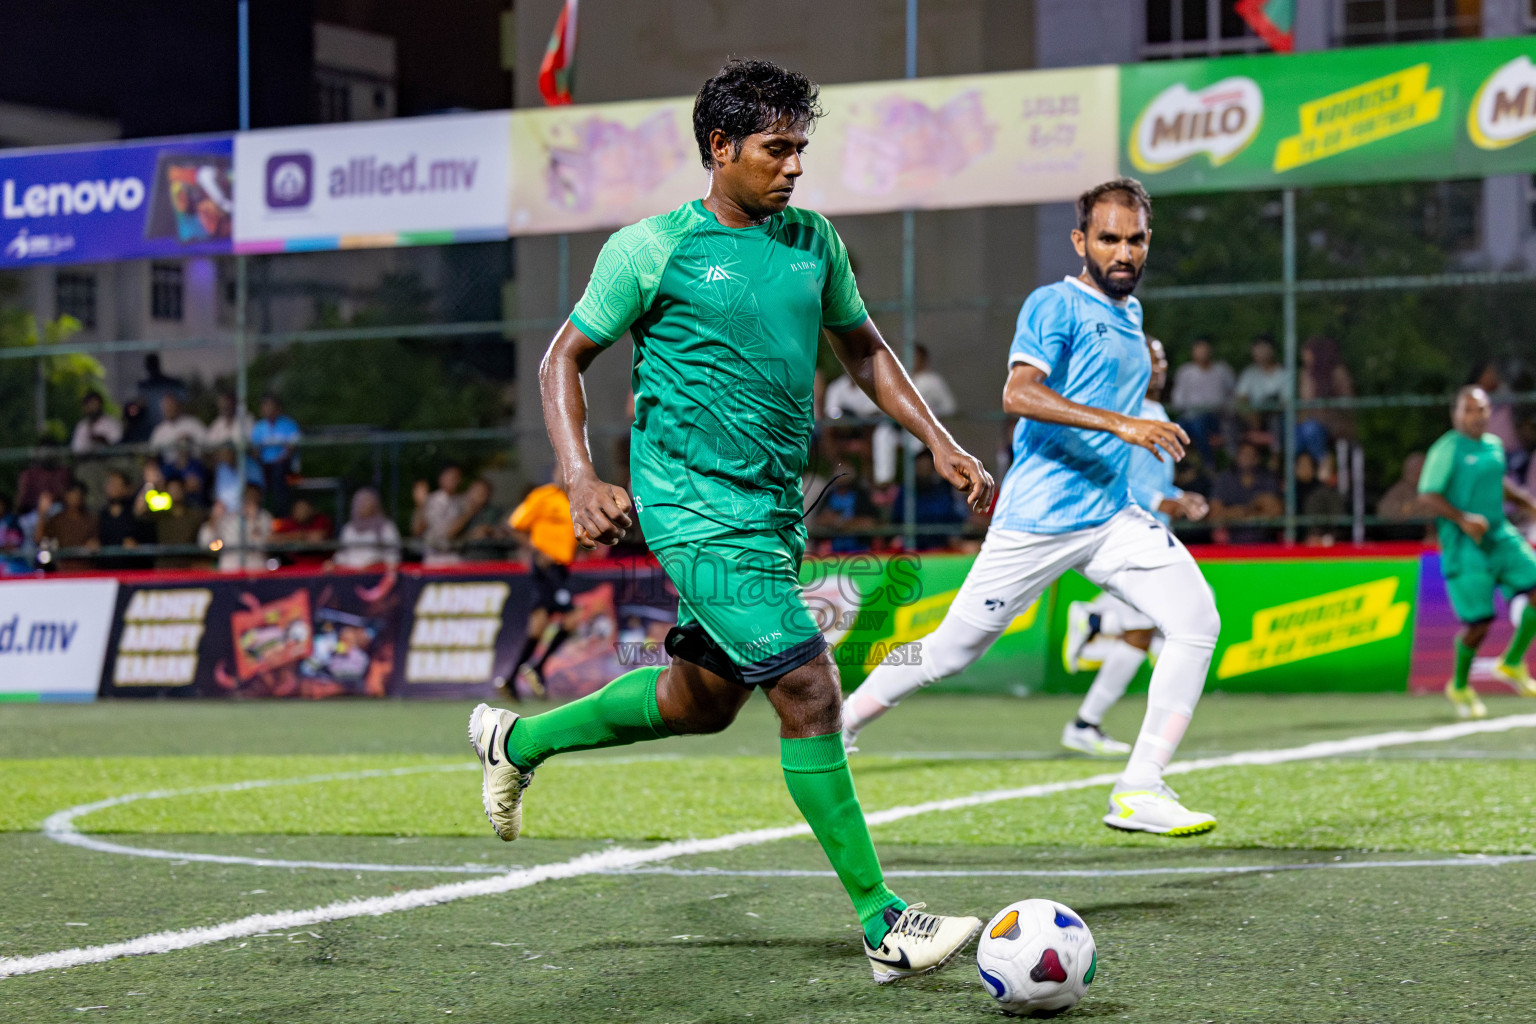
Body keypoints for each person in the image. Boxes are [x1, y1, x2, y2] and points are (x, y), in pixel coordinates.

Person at [466, 58, 994, 983]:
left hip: (773, 513)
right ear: (721, 147)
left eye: (801, 149)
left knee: (699, 704)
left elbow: (864, 351)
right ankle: (884, 925)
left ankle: (518, 742)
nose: (794, 167)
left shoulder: (812, 240)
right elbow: (563, 358)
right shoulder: (651, 248)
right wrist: (580, 477)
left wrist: (938, 441)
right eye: (776, 149)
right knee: (810, 688)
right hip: (689, 508)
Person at [840, 178, 1221, 838]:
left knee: (1196, 620)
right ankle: (837, 723)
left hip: (1111, 518)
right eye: (1109, 238)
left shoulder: (1130, 316)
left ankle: (1139, 787)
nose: (1123, 251)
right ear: (1081, 242)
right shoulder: (1054, 304)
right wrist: (1121, 425)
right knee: (947, 653)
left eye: (1134, 239)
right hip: (1039, 521)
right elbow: (1019, 393)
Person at [1059, 336, 1210, 758]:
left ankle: (1087, 717)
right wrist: (1163, 501)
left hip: (1149, 534)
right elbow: (1111, 478)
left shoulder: (1155, 412)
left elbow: (1155, 485)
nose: (1159, 366)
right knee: (1164, 627)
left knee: (1150, 632)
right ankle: (1095, 627)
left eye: (1162, 359)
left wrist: (1179, 497)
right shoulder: (1121, 415)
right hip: (1121, 533)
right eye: (1151, 359)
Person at [1417, 386, 1536, 718]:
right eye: (1468, 410)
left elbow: (1497, 482)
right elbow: (1428, 495)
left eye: (1481, 409)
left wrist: (1528, 504)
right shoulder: (1447, 449)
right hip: (1466, 545)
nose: (1475, 416)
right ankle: (1459, 685)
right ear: (1456, 414)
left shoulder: (1494, 447)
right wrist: (1462, 518)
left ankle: (1511, 662)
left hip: (1500, 536)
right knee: (1480, 624)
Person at [506, 471, 579, 698]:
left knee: (538, 624)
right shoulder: (543, 496)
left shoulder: (578, 499)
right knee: (572, 617)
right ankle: (536, 668)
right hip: (545, 567)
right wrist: (536, 551)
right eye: (560, 469)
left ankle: (510, 679)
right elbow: (515, 525)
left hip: (562, 569)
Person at [872, 344, 958, 485]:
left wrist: (932, 416)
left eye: (915, 357)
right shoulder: (897, 379)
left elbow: (950, 408)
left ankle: (918, 479)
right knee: (883, 434)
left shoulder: (933, 381)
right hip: (900, 427)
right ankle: (884, 481)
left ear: (923, 359)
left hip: (923, 428)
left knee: (919, 446)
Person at [1169, 336, 1234, 463]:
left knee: (1199, 425)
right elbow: (1177, 400)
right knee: (1176, 429)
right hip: (1189, 417)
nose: (1202, 352)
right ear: (1192, 351)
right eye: (1198, 349)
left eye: (1205, 348)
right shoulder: (1185, 372)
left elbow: (1233, 395)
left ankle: (1208, 463)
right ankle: (1181, 465)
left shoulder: (1222, 370)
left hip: (1215, 418)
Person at [1296, 335, 1355, 464]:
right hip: (1309, 420)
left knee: (1310, 430)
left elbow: (1347, 402)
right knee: (1293, 436)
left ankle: (1325, 463)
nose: (1304, 358)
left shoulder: (1337, 372)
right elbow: (1305, 402)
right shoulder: (1306, 373)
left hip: (1333, 422)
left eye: (1307, 354)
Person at [1209, 442, 1282, 543]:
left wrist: (1245, 512)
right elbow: (1215, 513)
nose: (1246, 458)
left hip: (1265, 540)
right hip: (1232, 540)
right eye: (1243, 454)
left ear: (1257, 458)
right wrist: (1251, 509)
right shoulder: (1225, 479)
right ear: (1237, 457)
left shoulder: (1267, 478)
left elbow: (1276, 511)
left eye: (1250, 455)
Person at [413, 463, 483, 566]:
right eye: (450, 477)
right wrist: (420, 505)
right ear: (441, 478)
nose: (454, 481)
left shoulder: (462, 501)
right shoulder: (431, 500)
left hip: (455, 556)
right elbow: (419, 531)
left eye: (456, 478)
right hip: (434, 556)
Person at [198, 484, 273, 572]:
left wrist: (254, 521)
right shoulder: (228, 518)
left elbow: (263, 545)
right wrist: (214, 520)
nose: (250, 500)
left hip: (256, 571)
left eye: (253, 497)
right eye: (247, 496)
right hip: (230, 571)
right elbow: (206, 544)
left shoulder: (264, 517)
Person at [250, 395, 301, 514]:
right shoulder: (259, 427)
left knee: (278, 475)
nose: (267, 409)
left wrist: (277, 460)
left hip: (285, 467)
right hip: (264, 465)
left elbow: (291, 450)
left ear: (278, 408)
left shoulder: (289, 425)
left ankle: (281, 515)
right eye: (264, 406)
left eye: (270, 406)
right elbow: (255, 450)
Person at [1233, 334, 1285, 446]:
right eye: (1256, 349)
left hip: (1273, 415)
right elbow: (1241, 398)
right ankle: (1236, 459)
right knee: (1231, 420)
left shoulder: (1284, 373)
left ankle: (1275, 457)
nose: (1258, 352)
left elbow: (1285, 402)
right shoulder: (1249, 373)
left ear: (1272, 350)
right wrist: (1252, 416)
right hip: (1252, 416)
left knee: (1277, 421)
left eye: (1262, 348)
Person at [332, 487, 401, 570]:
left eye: (367, 501)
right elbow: (343, 554)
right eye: (361, 502)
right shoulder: (349, 528)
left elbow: (393, 556)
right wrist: (334, 563)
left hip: (377, 574)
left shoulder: (386, 527)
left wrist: (377, 564)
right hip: (351, 575)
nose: (364, 505)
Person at [35, 481, 99, 571]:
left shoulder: (92, 519)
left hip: (87, 569)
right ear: (66, 496)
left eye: (78, 494)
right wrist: (42, 514)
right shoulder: (57, 520)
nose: (75, 497)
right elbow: (40, 540)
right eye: (72, 494)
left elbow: (98, 542)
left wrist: (94, 544)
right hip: (64, 570)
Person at [147, 477, 207, 569]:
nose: (175, 492)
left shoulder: (195, 515)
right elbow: (139, 511)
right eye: (172, 489)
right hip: (165, 567)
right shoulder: (160, 514)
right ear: (166, 491)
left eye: (178, 488)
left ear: (184, 490)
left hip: (188, 567)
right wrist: (150, 486)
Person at [97, 470, 150, 569]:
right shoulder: (100, 516)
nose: (112, 487)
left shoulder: (136, 515)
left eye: (116, 484)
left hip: (132, 571)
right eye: (110, 484)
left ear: (126, 489)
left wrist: (136, 546)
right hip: (106, 572)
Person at [272, 498, 333, 567]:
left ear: (311, 509)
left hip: (319, 564)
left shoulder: (321, 520)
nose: (301, 512)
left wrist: (296, 537)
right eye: (298, 509)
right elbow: (272, 538)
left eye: (304, 508)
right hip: (293, 565)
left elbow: (317, 537)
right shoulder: (288, 523)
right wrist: (299, 536)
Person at [136, 354, 187, 431]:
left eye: (153, 364)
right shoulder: (143, 388)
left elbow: (184, 402)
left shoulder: (173, 384)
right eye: (150, 364)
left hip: (174, 428)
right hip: (150, 430)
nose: (151, 367)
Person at [70, 390, 122, 454]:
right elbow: (76, 448)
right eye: (88, 404)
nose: (91, 407)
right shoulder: (82, 425)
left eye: (94, 404)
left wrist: (102, 440)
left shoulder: (111, 423)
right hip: (87, 461)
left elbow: (116, 443)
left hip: (109, 460)